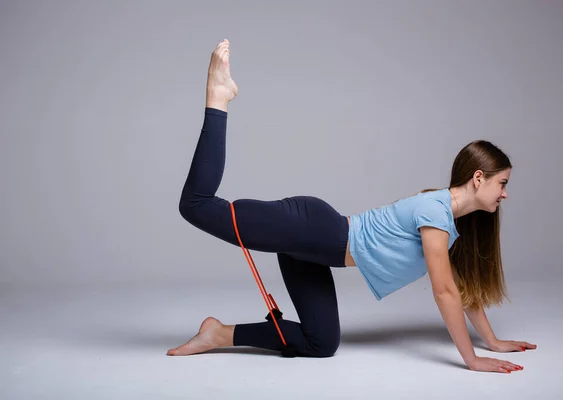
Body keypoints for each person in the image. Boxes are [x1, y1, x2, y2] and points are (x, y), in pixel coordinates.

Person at [167, 39, 536, 374]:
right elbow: (445, 292)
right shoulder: (435, 211)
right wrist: (471, 359)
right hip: (311, 228)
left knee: (321, 342)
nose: (504, 193)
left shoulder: (451, 225)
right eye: (502, 183)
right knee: (197, 205)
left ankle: (218, 334)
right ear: (478, 178)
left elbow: (462, 289)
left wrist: (491, 341)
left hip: (315, 252)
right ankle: (218, 98)